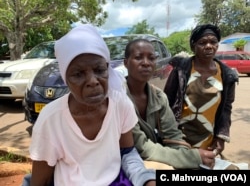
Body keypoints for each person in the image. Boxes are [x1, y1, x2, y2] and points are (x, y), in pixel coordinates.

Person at [23, 24, 155, 186]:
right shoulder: (51, 120)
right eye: (78, 74)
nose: (93, 81)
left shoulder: (120, 104)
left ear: (107, 68)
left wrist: (146, 179)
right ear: (66, 79)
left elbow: (127, 152)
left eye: (99, 70)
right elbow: (40, 181)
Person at [123, 38, 217, 170]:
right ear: (126, 63)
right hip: (125, 159)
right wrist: (193, 158)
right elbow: (141, 146)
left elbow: (172, 134)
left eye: (151, 58)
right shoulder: (119, 98)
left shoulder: (159, 97)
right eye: (138, 58)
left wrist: (187, 155)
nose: (146, 63)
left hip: (153, 155)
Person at [163, 24, 238, 158]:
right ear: (193, 47)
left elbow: (226, 108)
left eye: (213, 42)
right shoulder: (181, 70)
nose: (209, 46)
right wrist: (169, 136)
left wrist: (221, 137)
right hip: (179, 140)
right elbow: (167, 102)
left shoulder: (227, 75)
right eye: (202, 42)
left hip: (208, 142)